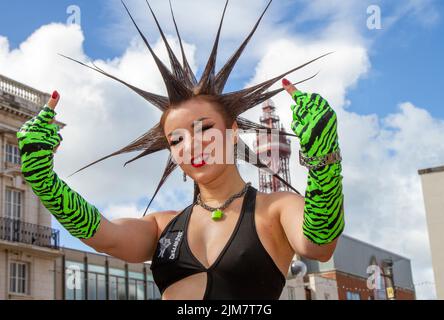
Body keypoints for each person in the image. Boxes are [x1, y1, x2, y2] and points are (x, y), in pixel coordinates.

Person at [16, 1, 344, 300]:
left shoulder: (277, 208)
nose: (191, 145)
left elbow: (318, 244)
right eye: (176, 140)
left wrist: (324, 161)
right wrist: (43, 179)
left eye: (204, 129)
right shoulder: (163, 225)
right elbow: (105, 236)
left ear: (232, 133)